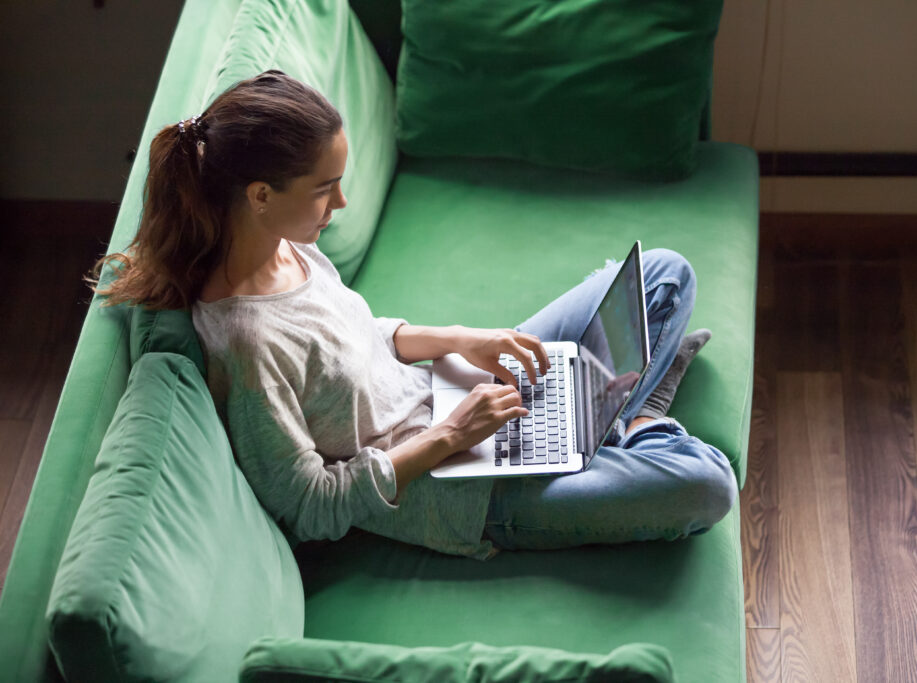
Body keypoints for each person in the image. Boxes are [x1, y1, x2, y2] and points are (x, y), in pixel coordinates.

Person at [92, 70, 737, 560]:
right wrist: (455, 435)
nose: (340, 202)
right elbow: (309, 505)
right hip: (460, 489)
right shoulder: (246, 346)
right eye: (325, 189)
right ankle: (637, 416)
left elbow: (357, 338)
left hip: (459, 393)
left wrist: (468, 341)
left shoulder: (288, 248)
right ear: (261, 196)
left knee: (667, 275)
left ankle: (603, 414)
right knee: (707, 485)